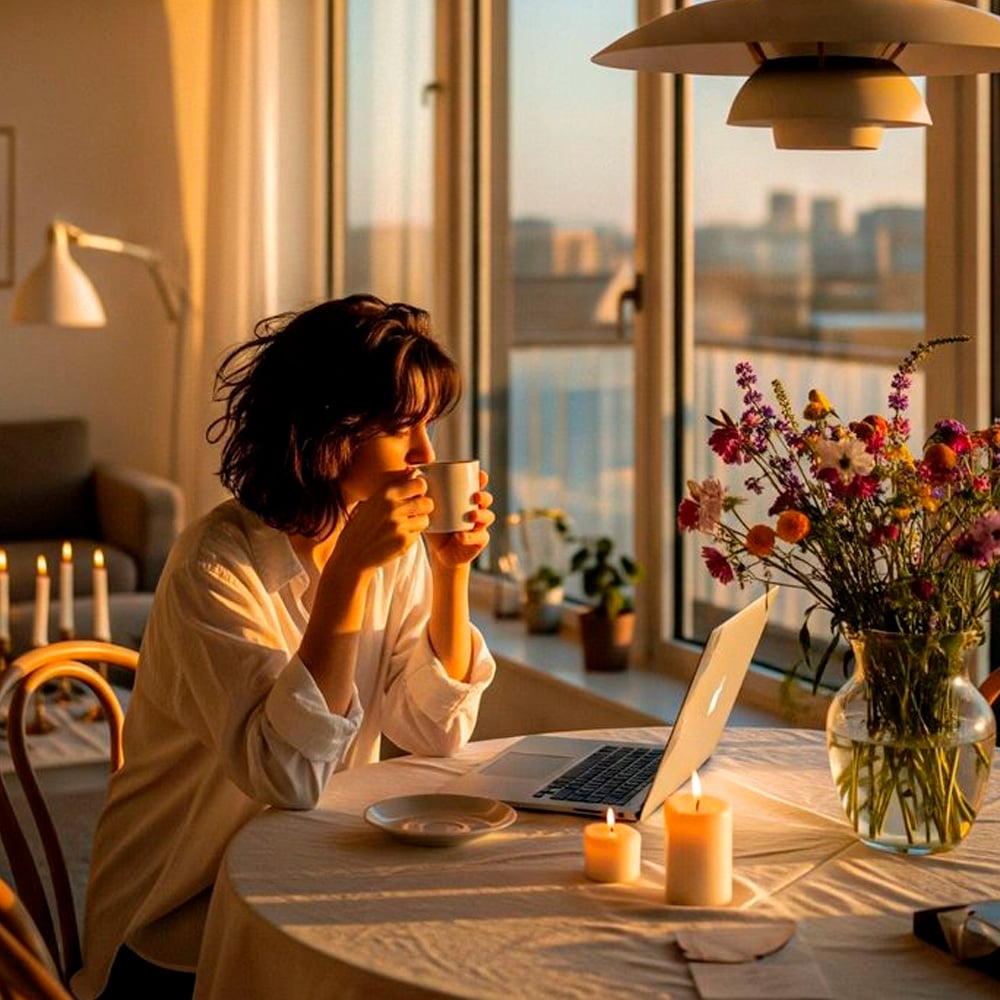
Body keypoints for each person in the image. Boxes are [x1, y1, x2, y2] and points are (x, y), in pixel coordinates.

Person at [73, 294, 497, 999]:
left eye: (429, 427)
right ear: (328, 431)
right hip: (178, 922)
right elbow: (288, 775)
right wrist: (348, 579)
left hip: (311, 871)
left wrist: (451, 575)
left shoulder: (386, 546)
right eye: (402, 428)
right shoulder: (215, 566)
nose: (426, 454)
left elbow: (431, 732)